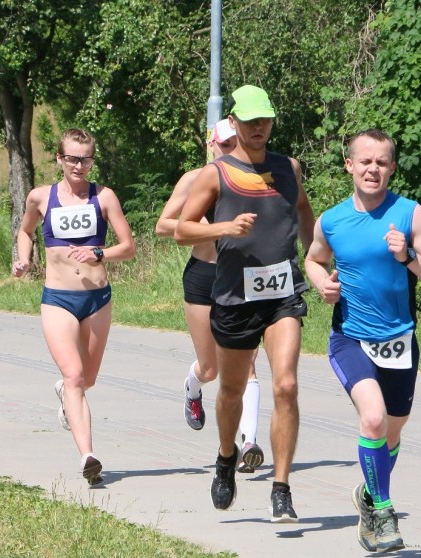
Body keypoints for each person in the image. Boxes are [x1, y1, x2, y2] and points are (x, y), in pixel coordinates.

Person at [304, 129, 421, 552]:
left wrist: (409, 256)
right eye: (365, 161)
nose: (373, 169)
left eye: (382, 162)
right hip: (350, 337)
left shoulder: (409, 214)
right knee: (372, 418)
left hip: (400, 340)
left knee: (390, 433)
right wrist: (321, 284)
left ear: (391, 167)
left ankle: (368, 493)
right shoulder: (331, 220)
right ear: (349, 165)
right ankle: (381, 515)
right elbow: (314, 259)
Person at [174, 85, 315, 522]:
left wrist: (315, 259)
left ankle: (282, 487)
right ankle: (224, 457)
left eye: (265, 120)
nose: (258, 128)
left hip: (282, 294)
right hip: (236, 296)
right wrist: (224, 229)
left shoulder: (288, 167)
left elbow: (306, 213)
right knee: (231, 390)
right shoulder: (215, 174)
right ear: (233, 123)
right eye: (250, 121)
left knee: (286, 384)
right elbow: (182, 228)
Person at [13, 128, 135, 486]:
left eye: (86, 159)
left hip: (97, 299)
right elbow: (25, 232)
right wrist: (23, 260)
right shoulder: (40, 197)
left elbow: (128, 247)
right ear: (59, 159)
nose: (79, 165)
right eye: (72, 158)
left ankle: (66, 395)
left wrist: (100, 253)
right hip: (58, 300)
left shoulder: (104, 197)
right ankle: (88, 456)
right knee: (75, 376)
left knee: (88, 378)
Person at [155, 118, 265, 474]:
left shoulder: (253, 177)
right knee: (211, 368)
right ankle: (192, 384)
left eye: (236, 144)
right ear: (211, 145)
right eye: (224, 145)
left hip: (242, 277)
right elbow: (163, 225)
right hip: (204, 277)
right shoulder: (194, 180)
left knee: (248, 364)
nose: (230, 150)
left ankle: (248, 443)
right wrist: (207, 226)